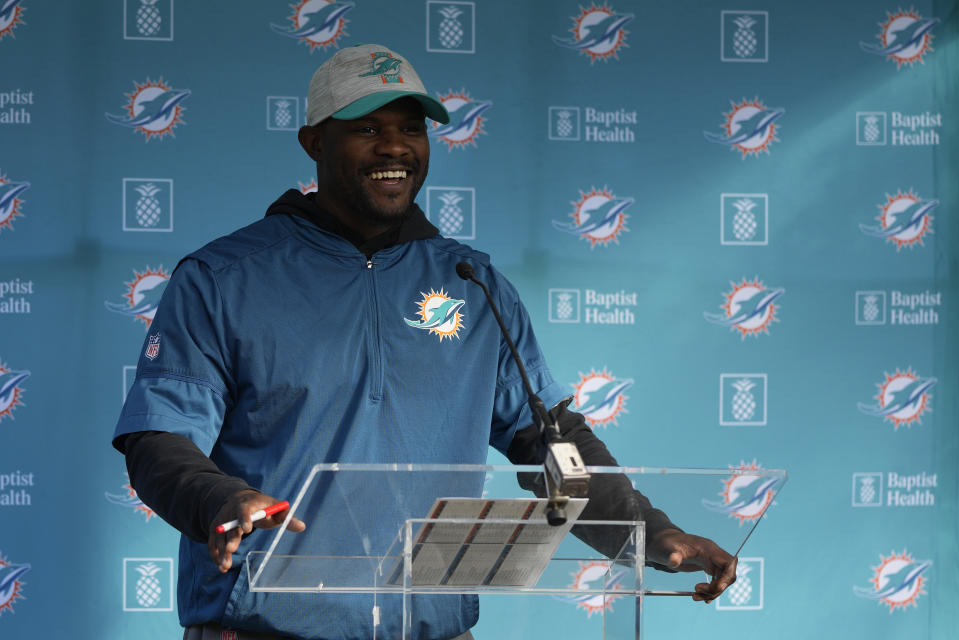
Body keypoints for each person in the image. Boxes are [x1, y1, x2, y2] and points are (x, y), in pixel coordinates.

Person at [112, 44, 737, 640]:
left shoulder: (472, 281)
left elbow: (551, 440)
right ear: (313, 142)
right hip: (265, 626)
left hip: (432, 627)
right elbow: (157, 437)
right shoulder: (226, 278)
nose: (394, 146)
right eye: (366, 127)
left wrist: (649, 533)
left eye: (412, 128)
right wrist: (220, 498)